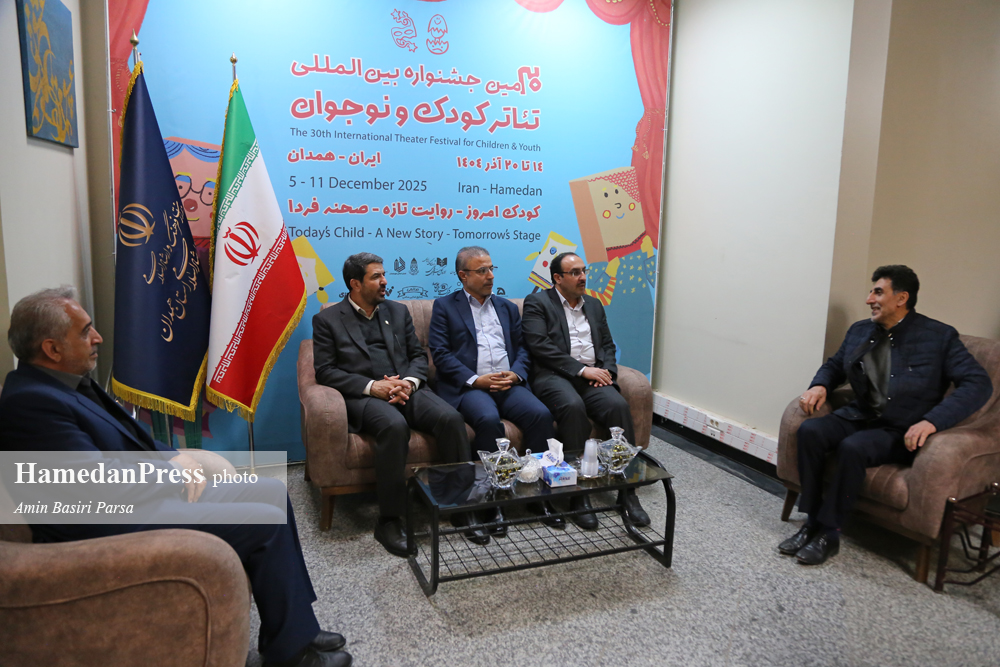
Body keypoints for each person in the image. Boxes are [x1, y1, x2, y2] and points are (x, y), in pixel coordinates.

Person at [0, 287, 350, 667]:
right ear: (52, 349)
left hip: (136, 498)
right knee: (263, 519)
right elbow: (93, 483)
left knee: (271, 493)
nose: (97, 337)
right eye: (85, 331)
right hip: (108, 525)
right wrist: (170, 471)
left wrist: (176, 457)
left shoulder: (62, 382)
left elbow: (132, 438)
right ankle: (292, 654)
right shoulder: (30, 402)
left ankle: (295, 627)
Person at [781, 265, 992, 565]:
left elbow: (978, 383)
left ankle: (830, 533)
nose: (869, 299)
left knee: (852, 448)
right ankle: (812, 521)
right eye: (871, 292)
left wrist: (932, 421)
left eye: (878, 292)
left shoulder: (939, 337)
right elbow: (835, 364)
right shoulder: (860, 330)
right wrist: (820, 385)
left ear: (902, 298)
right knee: (810, 431)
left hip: (900, 429)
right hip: (859, 415)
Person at [312, 253, 477, 555]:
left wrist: (409, 383)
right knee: (393, 426)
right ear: (355, 284)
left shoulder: (397, 311)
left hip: (406, 387)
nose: (385, 281)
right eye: (376, 277)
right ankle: (390, 519)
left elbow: (417, 355)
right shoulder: (327, 320)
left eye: (384, 274)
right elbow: (325, 371)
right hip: (365, 395)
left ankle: (459, 505)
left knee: (451, 419)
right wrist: (373, 387)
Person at [428, 247, 559, 533]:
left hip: (507, 382)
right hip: (471, 386)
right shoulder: (445, 306)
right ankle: (492, 501)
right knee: (488, 421)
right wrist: (476, 380)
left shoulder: (507, 307)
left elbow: (523, 348)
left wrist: (516, 373)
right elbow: (441, 354)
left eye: (491, 269)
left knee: (540, 415)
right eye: (482, 271)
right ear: (463, 275)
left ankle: (537, 494)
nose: (490, 276)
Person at [521, 252, 650, 528]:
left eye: (584, 271)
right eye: (575, 272)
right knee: (572, 407)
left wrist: (607, 372)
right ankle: (578, 496)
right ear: (558, 278)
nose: (583, 277)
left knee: (618, 406)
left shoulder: (593, 304)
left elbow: (607, 345)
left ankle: (627, 492)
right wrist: (581, 370)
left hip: (592, 376)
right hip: (554, 375)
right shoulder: (537, 302)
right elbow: (539, 345)